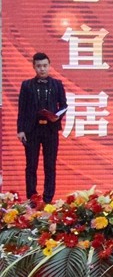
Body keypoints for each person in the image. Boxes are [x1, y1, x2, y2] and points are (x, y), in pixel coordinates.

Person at [16, 52, 68, 204]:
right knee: (31, 165)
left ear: (49, 66)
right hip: (32, 130)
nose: (42, 69)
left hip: (50, 129)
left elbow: (64, 105)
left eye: (45, 66)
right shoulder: (26, 85)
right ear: (34, 67)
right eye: (39, 66)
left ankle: (47, 199)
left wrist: (57, 116)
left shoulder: (57, 84)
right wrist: (20, 130)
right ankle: (32, 198)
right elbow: (22, 109)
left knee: (50, 165)